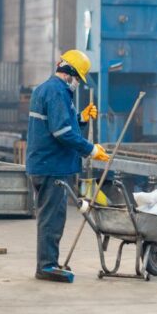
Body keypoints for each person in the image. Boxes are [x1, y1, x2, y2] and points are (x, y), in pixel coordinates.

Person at [27, 50, 109, 283]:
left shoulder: (46, 88)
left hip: (44, 164)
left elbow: (61, 124)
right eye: (78, 79)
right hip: (52, 165)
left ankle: (48, 264)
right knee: (52, 219)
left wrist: (80, 118)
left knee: (50, 217)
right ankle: (47, 266)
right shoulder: (58, 92)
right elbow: (62, 132)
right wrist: (91, 149)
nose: (77, 84)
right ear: (71, 73)